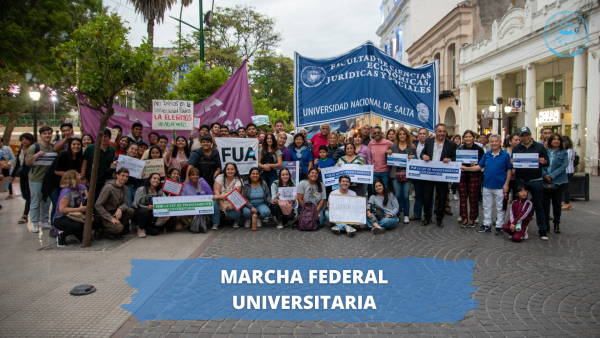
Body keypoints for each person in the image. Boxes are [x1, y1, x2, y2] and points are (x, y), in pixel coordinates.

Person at [462, 134, 511, 235]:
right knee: (487, 206)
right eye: (492, 141)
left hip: (500, 186)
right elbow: (478, 167)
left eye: (496, 141)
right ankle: (487, 224)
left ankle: (499, 226)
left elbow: (509, 170)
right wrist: (466, 168)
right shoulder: (487, 154)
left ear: (499, 142)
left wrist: (506, 184)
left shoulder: (505, 155)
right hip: (487, 185)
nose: (493, 143)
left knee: (500, 207)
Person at [512, 126, 550, 240]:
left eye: (527, 135)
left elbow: (547, 162)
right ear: (520, 137)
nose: (525, 137)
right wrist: (512, 162)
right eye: (523, 135)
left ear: (530, 135)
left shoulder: (539, 147)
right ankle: (518, 228)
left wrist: (544, 161)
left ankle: (542, 230)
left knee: (539, 206)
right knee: (518, 206)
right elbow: (513, 163)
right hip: (521, 180)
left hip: (536, 180)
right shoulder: (517, 148)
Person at [42, 137, 84, 229]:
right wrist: (72, 176)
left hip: (66, 183)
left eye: (78, 144)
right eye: (74, 144)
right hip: (53, 182)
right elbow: (57, 171)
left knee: (66, 203)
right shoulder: (63, 154)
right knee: (57, 202)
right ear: (70, 145)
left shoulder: (80, 156)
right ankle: (54, 226)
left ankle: (65, 224)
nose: (76, 146)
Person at [420, 123, 457, 227]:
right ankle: (427, 217)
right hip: (429, 174)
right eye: (440, 131)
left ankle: (439, 218)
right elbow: (422, 153)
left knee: (442, 198)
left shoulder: (451, 144)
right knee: (427, 197)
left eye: (444, 131)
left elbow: (455, 158)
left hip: (442, 175)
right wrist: (424, 156)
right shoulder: (429, 141)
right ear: (435, 132)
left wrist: (449, 159)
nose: (442, 133)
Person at [24, 126, 55, 233]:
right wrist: (37, 155)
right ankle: (34, 222)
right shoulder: (34, 147)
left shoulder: (53, 147)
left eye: (49, 133)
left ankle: (44, 221)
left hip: (48, 180)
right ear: (41, 135)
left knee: (46, 201)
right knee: (35, 202)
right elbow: (27, 162)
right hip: (36, 179)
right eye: (45, 133)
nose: (47, 135)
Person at [93, 168, 135, 240]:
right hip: (105, 214)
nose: (125, 178)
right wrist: (111, 218)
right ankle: (101, 229)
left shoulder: (124, 187)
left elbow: (125, 203)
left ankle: (114, 230)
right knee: (119, 228)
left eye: (127, 176)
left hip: (115, 212)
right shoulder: (108, 187)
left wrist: (120, 209)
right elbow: (98, 205)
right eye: (123, 176)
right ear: (117, 176)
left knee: (131, 211)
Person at [456, 130, 485, 227]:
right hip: (462, 175)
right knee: (463, 198)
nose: (468, 138)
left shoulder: (479, 149)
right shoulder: (460, 149)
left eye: (470, 136)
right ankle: (464, 218)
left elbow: (482, 163)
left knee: (473, 198)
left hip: (474, 175)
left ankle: (472, 218)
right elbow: (456, 161)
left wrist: (476, 164)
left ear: (473, 138)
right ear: (463, 138)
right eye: (466, 137)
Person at [53, 170, 88, 247]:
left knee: (96, 221)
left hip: (78, 214)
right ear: (73, 179)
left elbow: (88, 200)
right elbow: (62, 209)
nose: (80, 176)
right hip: (63, 217)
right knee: (77, 225)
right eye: (78, 176)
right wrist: (79, 209)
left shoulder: (82, 188)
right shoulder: (66, 192)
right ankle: (61, 237)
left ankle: (77, 233)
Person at [132, 173, 174, 237]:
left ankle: (146, 226)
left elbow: (165, 202)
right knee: (144, 211)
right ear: (149, 179)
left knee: (155, 232)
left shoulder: (159, 191)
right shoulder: (141, 189)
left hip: (151, 215)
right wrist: (146, 207)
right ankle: (140, 229)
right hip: (140, 212)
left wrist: (167, 213)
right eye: (154, 178)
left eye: (158, 179)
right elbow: (135, 204)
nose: (156, 180)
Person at [543, 133, 568, 234]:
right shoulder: (545, 151)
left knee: (557, 203)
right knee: (545, 204)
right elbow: (541, 165)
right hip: (545, 180)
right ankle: (546, 224)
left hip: (559, 181)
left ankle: (556, 223)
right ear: (550, 141)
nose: (556, 141)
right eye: (554, 139)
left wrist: (552, 176)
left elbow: (563, 166)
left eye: (558, 139)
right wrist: (545, 175)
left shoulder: (563, 152)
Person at [389, 127, 415, 224]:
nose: (402, 136)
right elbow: (387, 159)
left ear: (407, 135)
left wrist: (413, 157)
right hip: (395, 174)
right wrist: (387, 153)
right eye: (400, 134)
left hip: (407, 174)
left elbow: (415, 159)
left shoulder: (411, 147)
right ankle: (398, 214)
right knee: (398, 195)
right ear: (397, 136)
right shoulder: (393, 147)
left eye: (404, 134)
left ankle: (406, 215)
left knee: (405, 196)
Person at [82, 129, 116, 198]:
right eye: (101, 136)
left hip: (104, 181)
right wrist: (83, 177)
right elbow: (84, 162)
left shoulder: (112, 150)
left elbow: (111, 164)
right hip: (90, 180)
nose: (103, 138)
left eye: (105, 136)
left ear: (110, 138)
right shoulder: (90, 148)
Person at [11, 133, 34, 224]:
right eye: (23, 139)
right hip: (23, 175)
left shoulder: (33, 149)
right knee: (24, 195)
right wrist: (12, 176)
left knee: (28, 195)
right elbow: (18, 164)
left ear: (31, 140)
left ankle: (25, 215)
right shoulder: (21, 150)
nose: (24, 141)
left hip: (32, 175)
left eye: (27, 139)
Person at [213, 163, 243, 228]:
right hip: (221, 199)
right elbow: (216, 191)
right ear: (225, 170)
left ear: (235, 170)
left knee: (236, 206)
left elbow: (234, 193)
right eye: (228, 169)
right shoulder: (220, 177)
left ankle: (236, 221)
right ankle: (215, 223)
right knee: (214, 202)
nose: (230, 171)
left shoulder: (238, 179)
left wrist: (219, 196)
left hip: (232, 199)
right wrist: (222, 204)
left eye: (232, 169)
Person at [368, 125, 394, 190]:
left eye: (378, 132)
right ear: (373, 134)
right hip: (374, 171)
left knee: (385, 191)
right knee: (374, 191)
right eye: (375, 133)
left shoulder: (388, 143)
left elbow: (397, 147)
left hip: (385, 172)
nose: (377, 134)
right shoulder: (371, 143)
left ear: (381, 133)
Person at [502, 133, 520, 211]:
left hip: (518, 178)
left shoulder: (521, 151)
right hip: (506, 178)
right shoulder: (504, 151)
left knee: (517, 199)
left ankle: (516, 217)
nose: (518, 142)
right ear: (510, 142)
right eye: (516, 140)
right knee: (504, 199)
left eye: (519, 140)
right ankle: (500, 218)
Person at [562, 135, 575, 210]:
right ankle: (565, 201)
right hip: (567, 170)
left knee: (565, 187)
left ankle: (567, 202)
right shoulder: (567, 150)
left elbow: (567, 161)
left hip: (568, 171)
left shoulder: (569, 151)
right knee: (564, 187)